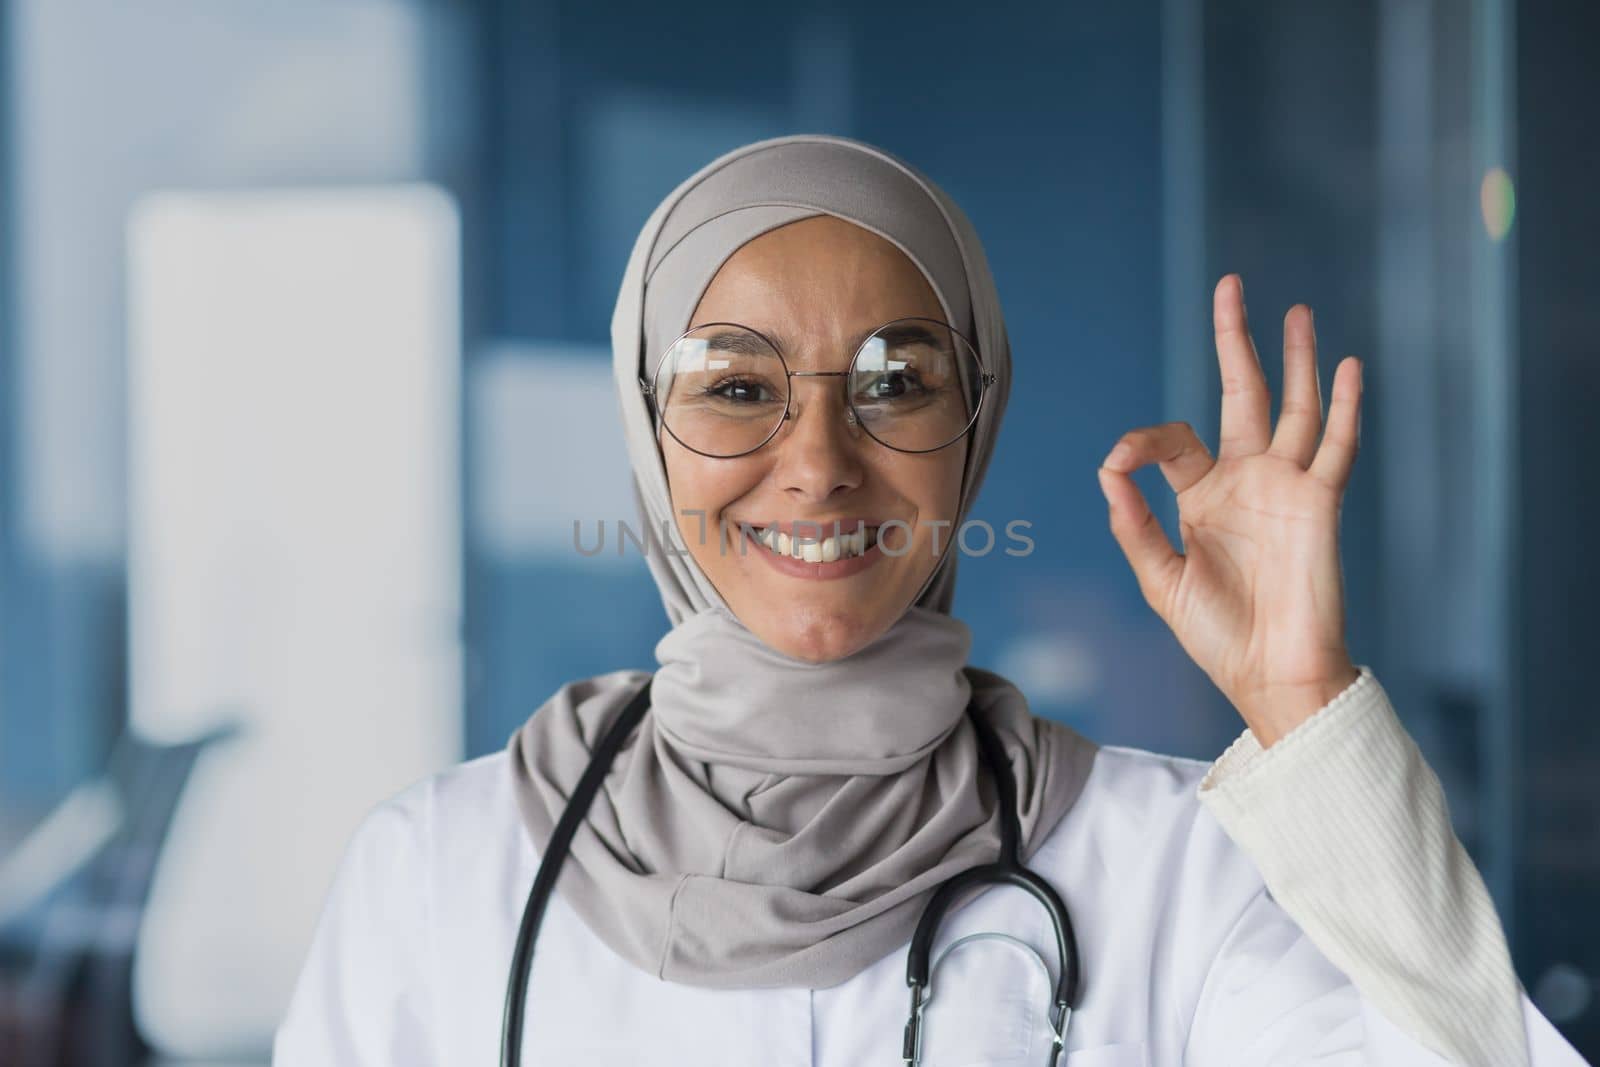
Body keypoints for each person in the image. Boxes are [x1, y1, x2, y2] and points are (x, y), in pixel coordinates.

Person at [272, 134, 1587, 1066]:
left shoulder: (1177, 869)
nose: (820, 463)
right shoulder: (437, 878)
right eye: (735, 385)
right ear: (645, 427)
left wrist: (1304, 708)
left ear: (977, 421)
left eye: (898, 382)